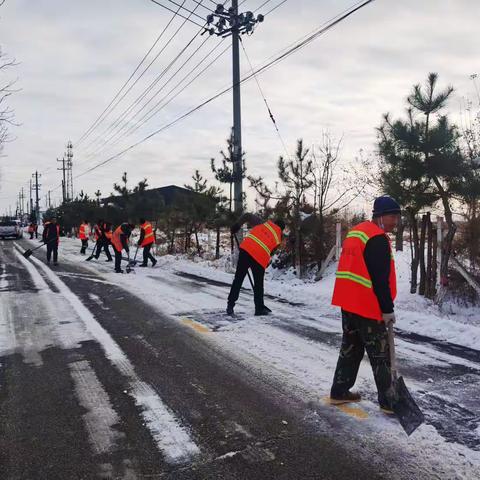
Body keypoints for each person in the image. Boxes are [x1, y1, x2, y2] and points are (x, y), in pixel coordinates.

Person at [329, 195, 401, 414]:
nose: (395, 222)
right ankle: (389, 401)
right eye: (391, 216)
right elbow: (380, 279)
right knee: (381, 354)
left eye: (397, 217)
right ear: (379, 216)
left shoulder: (357, 232)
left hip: (348, 302)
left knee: (350, 348)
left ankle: (339, 391)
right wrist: (387, 309)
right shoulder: (376, 238)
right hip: (366, 305)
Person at [227, 214, 285, 316]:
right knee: (258, 284)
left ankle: (230, 305)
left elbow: (247, 215)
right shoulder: (279, 238)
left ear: (274, 222)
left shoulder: (264, 223)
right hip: (259, 257)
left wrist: (236, 226)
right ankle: (259, 308)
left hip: (246, 250)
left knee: (238, 279)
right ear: (282, 229)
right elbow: (271, 252)